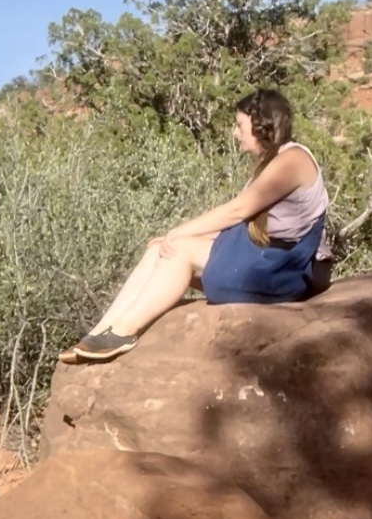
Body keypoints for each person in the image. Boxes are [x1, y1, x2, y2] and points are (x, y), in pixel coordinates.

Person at [60, 89, 333, 363]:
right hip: (264, 262)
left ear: (261, 124)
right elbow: (242, 225)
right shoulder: (273, 162)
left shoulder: (292, 159)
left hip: (283, 273)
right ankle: (101, 332)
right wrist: (172, 238)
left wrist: (178, 233)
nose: (234, 133)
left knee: (178, 248)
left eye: (239, 125)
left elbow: (238, 211)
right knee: (161, 251)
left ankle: (124, 331)